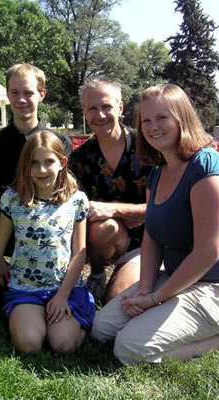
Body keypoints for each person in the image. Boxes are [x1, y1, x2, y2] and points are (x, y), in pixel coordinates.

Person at [91, 84, 219, 365]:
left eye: (162, 118)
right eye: (146, 121)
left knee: (130, 349)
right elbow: (152, 236)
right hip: (179, 279)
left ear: (182, 118)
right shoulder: (158, 172)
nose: (153, 127)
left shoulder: (205, 166)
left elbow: (207, 253)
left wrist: (154, 300)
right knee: (102, 330)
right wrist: (145, 288)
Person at [0, 131, 94, 353]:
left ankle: (81, 317)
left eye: (49, 162)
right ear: (25, 165)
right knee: (29, 344)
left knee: (64, 345)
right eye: (34, 163)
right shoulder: (12, 199)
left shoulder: (77, 201)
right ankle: (30, 319)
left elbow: (79, 252)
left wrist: (62, 296)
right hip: (25, 288)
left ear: (62, 162)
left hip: (63, 287)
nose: (41, 170)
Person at [0, 63, 72, 298]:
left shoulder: (59, 143)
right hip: (1, 241)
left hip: (45, 247)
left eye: (28, 92)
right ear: (7, 94)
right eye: (14, 92)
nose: (21, 99)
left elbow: (64, 203)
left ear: (41, 94)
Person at [69, 77, 151, 303]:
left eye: (106, 106)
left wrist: (114, 209)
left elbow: (161, 209)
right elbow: (77, 212)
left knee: (116, 301)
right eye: (92, 108)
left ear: (120, 107)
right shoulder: (81, 158)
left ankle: (124, 277)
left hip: (150, 243)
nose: (100, 115)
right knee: (100, 225)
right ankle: (97, 274)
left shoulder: (147, 149)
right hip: (108, 240)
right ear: (84, 112)